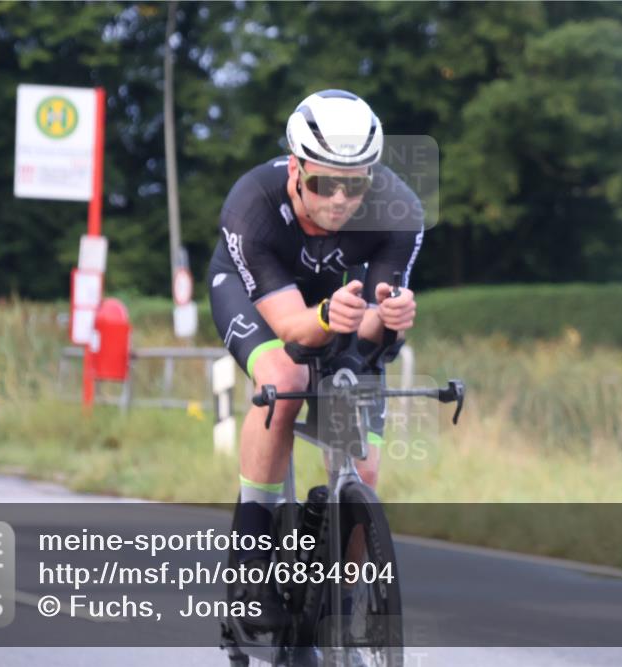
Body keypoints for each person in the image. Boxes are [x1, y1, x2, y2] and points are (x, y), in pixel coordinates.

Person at [208, 89, 424, 633]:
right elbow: (293, 330)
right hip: (260, 296)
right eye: (323, 182)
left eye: (355, 184)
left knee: (365, 468)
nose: (340, 198)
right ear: (295, 169)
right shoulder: (252, 203)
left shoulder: (400, 210)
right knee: (286, 377)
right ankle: (252, 562)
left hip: (340, 304)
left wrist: (390, 316)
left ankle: (336, 600)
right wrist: (328, 316)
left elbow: (371, 327)